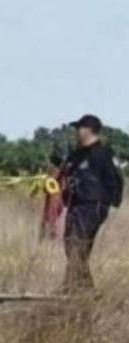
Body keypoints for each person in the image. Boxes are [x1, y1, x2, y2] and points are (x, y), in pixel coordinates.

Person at [60, 114, 123, 293]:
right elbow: (65, 172)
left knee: (77, 243)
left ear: (88, 130)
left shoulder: (102, 154)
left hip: (91, 206)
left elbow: (116, 180)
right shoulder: (76, 155)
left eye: (78, 128)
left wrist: (107, 203)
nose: (76, 132)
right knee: (71, 244)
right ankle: (80, 287)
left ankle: (78, 288)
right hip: (75, 204)